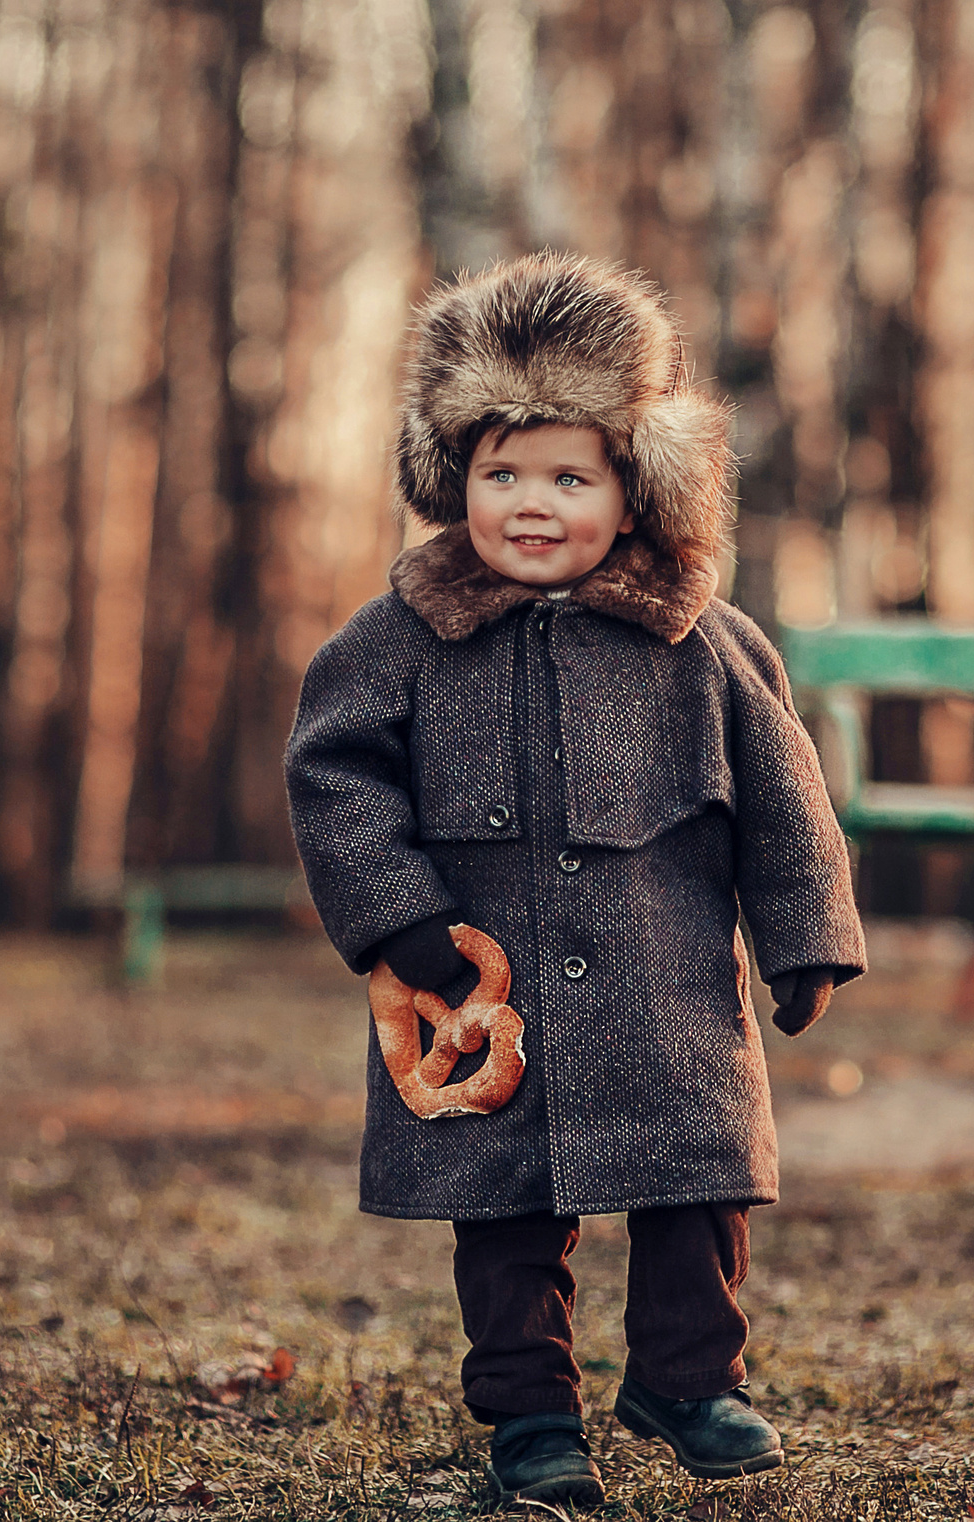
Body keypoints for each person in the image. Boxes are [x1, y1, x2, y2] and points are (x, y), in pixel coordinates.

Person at [285, 252, 865, 1505]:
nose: (530, 502)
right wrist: (403, 918)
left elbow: (786, 799)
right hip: (472, 991)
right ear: (453, 481)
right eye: (501, 473)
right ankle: (531, 1416)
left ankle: (688, 1379)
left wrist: (805, 935)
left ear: (636, 485)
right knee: (500, 1212)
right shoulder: (399, 635)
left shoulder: (698, 636)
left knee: (697, 1186)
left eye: (568, 475)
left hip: (666, 983)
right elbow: (332, 776)